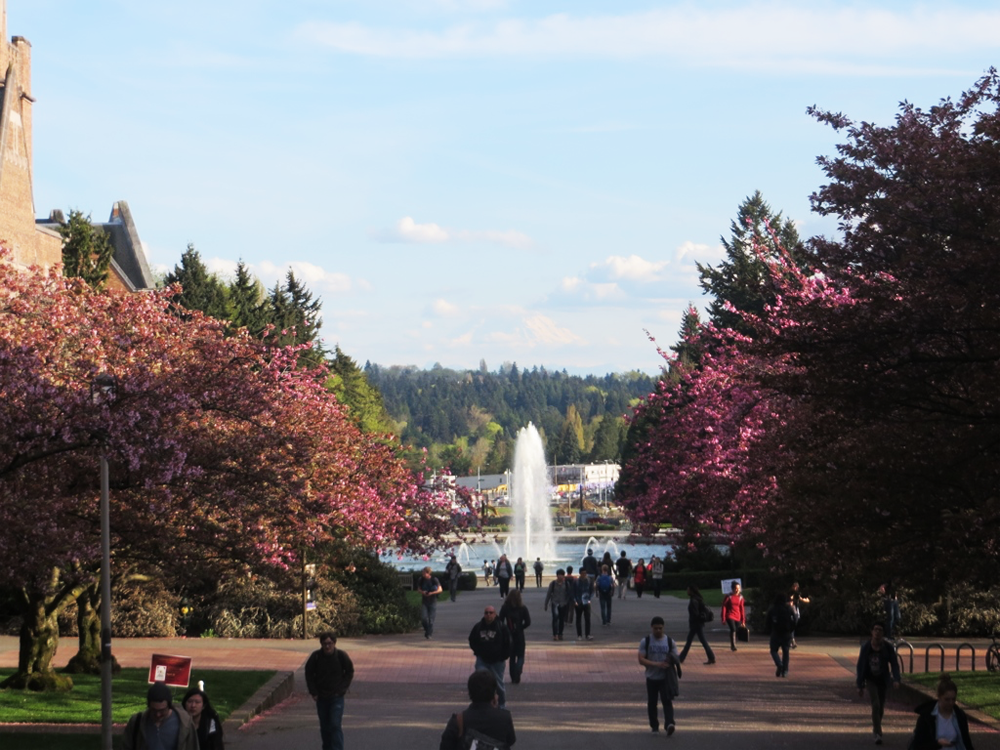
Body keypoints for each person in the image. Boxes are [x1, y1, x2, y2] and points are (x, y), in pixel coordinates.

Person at [439, 669, 517, 750]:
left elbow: (445, 746)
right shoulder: (504, 718)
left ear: (470, 692)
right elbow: (510, 741)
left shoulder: (458, 721)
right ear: (493, 695)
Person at [305, 632, 355, 750]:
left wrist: (342, 689)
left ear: (334, 643)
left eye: (330, 643)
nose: (327, 646)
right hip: (321, 697)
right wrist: (314, 692)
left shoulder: (341, 656)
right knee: (325, 726)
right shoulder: (316, 657)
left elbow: (349, 672)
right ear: (321, 644)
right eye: (325, 644)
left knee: (335, 725)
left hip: (336, 697)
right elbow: (309, 674)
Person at [856, 622, 901, 745]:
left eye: (880, 630)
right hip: (870, 679)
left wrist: (896, 679)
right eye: (875, 630)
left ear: (883, 633)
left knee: (880, 706)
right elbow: (861, 666)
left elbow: (894, 664)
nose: (877, 632)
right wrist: (860, 685)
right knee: (875, 704)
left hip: (883, 679)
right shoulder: (866, 647)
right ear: (871, 632)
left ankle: (877, 726)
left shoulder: (887, 647)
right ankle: (877, 732)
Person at [637, 615, 681, 736]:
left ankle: (669, 724)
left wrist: (672, 660)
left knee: (667, 701)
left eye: (660, 628)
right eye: (655, 628)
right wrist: (657, 664)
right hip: (651, 677)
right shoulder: (645, 641)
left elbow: (677, 657)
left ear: (663, 628)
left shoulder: (670, 642)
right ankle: (654, 726)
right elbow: (641, 659)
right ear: (651, 628)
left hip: (665, 679)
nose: (658, 631)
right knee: (652, 703)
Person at [123, 682, 199, 750]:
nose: (158, 714)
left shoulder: (185, 723)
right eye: (154, 710)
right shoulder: (137, 722)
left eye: (162, 710)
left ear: (169, 706)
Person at [909, 673, 975, 750]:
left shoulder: (959, 716)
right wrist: (937, 743)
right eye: (947, 699)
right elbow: (918, 744)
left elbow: (966, 742)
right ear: (939, 697)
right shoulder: (927, 716)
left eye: (953, 699)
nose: (951, 703)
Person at [468, 604, 511, 709]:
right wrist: (478, 652)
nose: (488, 615)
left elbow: (508, 643)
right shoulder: (478, 626)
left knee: (498, 684)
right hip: (483, 660)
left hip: (497, 661)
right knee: (480, 680)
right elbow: (472, 640)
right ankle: (481, 704)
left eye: (491, 613)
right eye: (486, 613)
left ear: (495, 614)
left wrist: (503, 656)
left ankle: (502, 705)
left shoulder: (501, 627)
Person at [499, 589, 531, 684]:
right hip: (519, 634)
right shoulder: (523, 608)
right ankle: (518, 670)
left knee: (512, 656)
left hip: (509, 634)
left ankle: (513, 677)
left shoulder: (505, 607)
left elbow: (500, 620)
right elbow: (528, 622)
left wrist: (505, 630)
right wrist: (521, 627)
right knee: (520, 655)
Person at [678, 585, 716, 665]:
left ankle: (681, 658)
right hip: (698, 624)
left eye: (688, 590)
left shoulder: (693, 601)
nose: (687, 591)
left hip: (695, 624)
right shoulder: (698, 599)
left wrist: (693, 620)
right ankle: (711, 657)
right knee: (698, 641)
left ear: (692, 591)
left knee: (691, 642)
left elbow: (695, 614)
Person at [765, 593, 796, 677]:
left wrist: (769, 630)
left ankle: (779, 664)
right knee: (786, 652)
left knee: (773, 650)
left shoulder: (772, 609)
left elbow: (768, 621)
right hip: (786, 633)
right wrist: (791, 629)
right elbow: (794, 620)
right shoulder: (788, 609)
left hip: (775, 633)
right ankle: (785, 670)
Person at [543, 568, 574, 641]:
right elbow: (549, 594)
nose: (560, 577)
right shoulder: (553, 583)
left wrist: (567, 602)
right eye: (559, 575)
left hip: (563, 604)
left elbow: (569, 594)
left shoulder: (566, 584)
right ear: (557, 576)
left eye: (562, 575)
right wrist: (546, 604)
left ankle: (560, 633)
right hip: (555, 603)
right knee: (555, 618)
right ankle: (555, 634)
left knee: (561, 620)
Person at [419, 566, 443, 639]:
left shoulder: (434, 580)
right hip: (424, 601)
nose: (423, 574)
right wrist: (423, 592)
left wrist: (432, 593)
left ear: (428, 573)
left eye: (424, 573)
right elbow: (418, 589)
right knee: (423, 618)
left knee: (431, 619)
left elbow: (440, 590)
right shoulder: (421, 580)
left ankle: (429, 634)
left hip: (432, 601)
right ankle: (427, 630)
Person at [721, 581, 746, 652]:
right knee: (733, 629)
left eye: (739, 588)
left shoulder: (741, 597)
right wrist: (723, 618)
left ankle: (736, 640)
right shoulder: (729, 596)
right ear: (732, 589)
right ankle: (733, 645)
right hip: (730, 615)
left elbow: (742, 609)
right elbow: (724, 607)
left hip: (737, 616)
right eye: (736, 588)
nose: (737, 590)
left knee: (738, 629)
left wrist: (743, 621)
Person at [574, 567, 594, 641]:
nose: (584, 574)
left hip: (586, 602)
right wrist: (575, 600)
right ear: (580, 574)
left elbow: (592, 591)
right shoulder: (576, 581)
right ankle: (579, 635)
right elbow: (573, 592)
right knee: (578, 619)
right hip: (578, 602)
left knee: (587, 619)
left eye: (585, 573)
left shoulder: (589, 581)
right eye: (583, 573)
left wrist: (589, 599)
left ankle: (587, 634)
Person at [790, 581, 810, 648]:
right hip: (791, 611)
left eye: (797, 587)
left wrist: (806, 600)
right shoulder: (790, 593)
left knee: (793, 625)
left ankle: (790, 640)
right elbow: (789, 599)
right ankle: (792, 641)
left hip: (795, 610)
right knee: (791, 625)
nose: (796, 588)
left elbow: (801, 599)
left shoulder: (797, 594)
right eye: (795, 587)